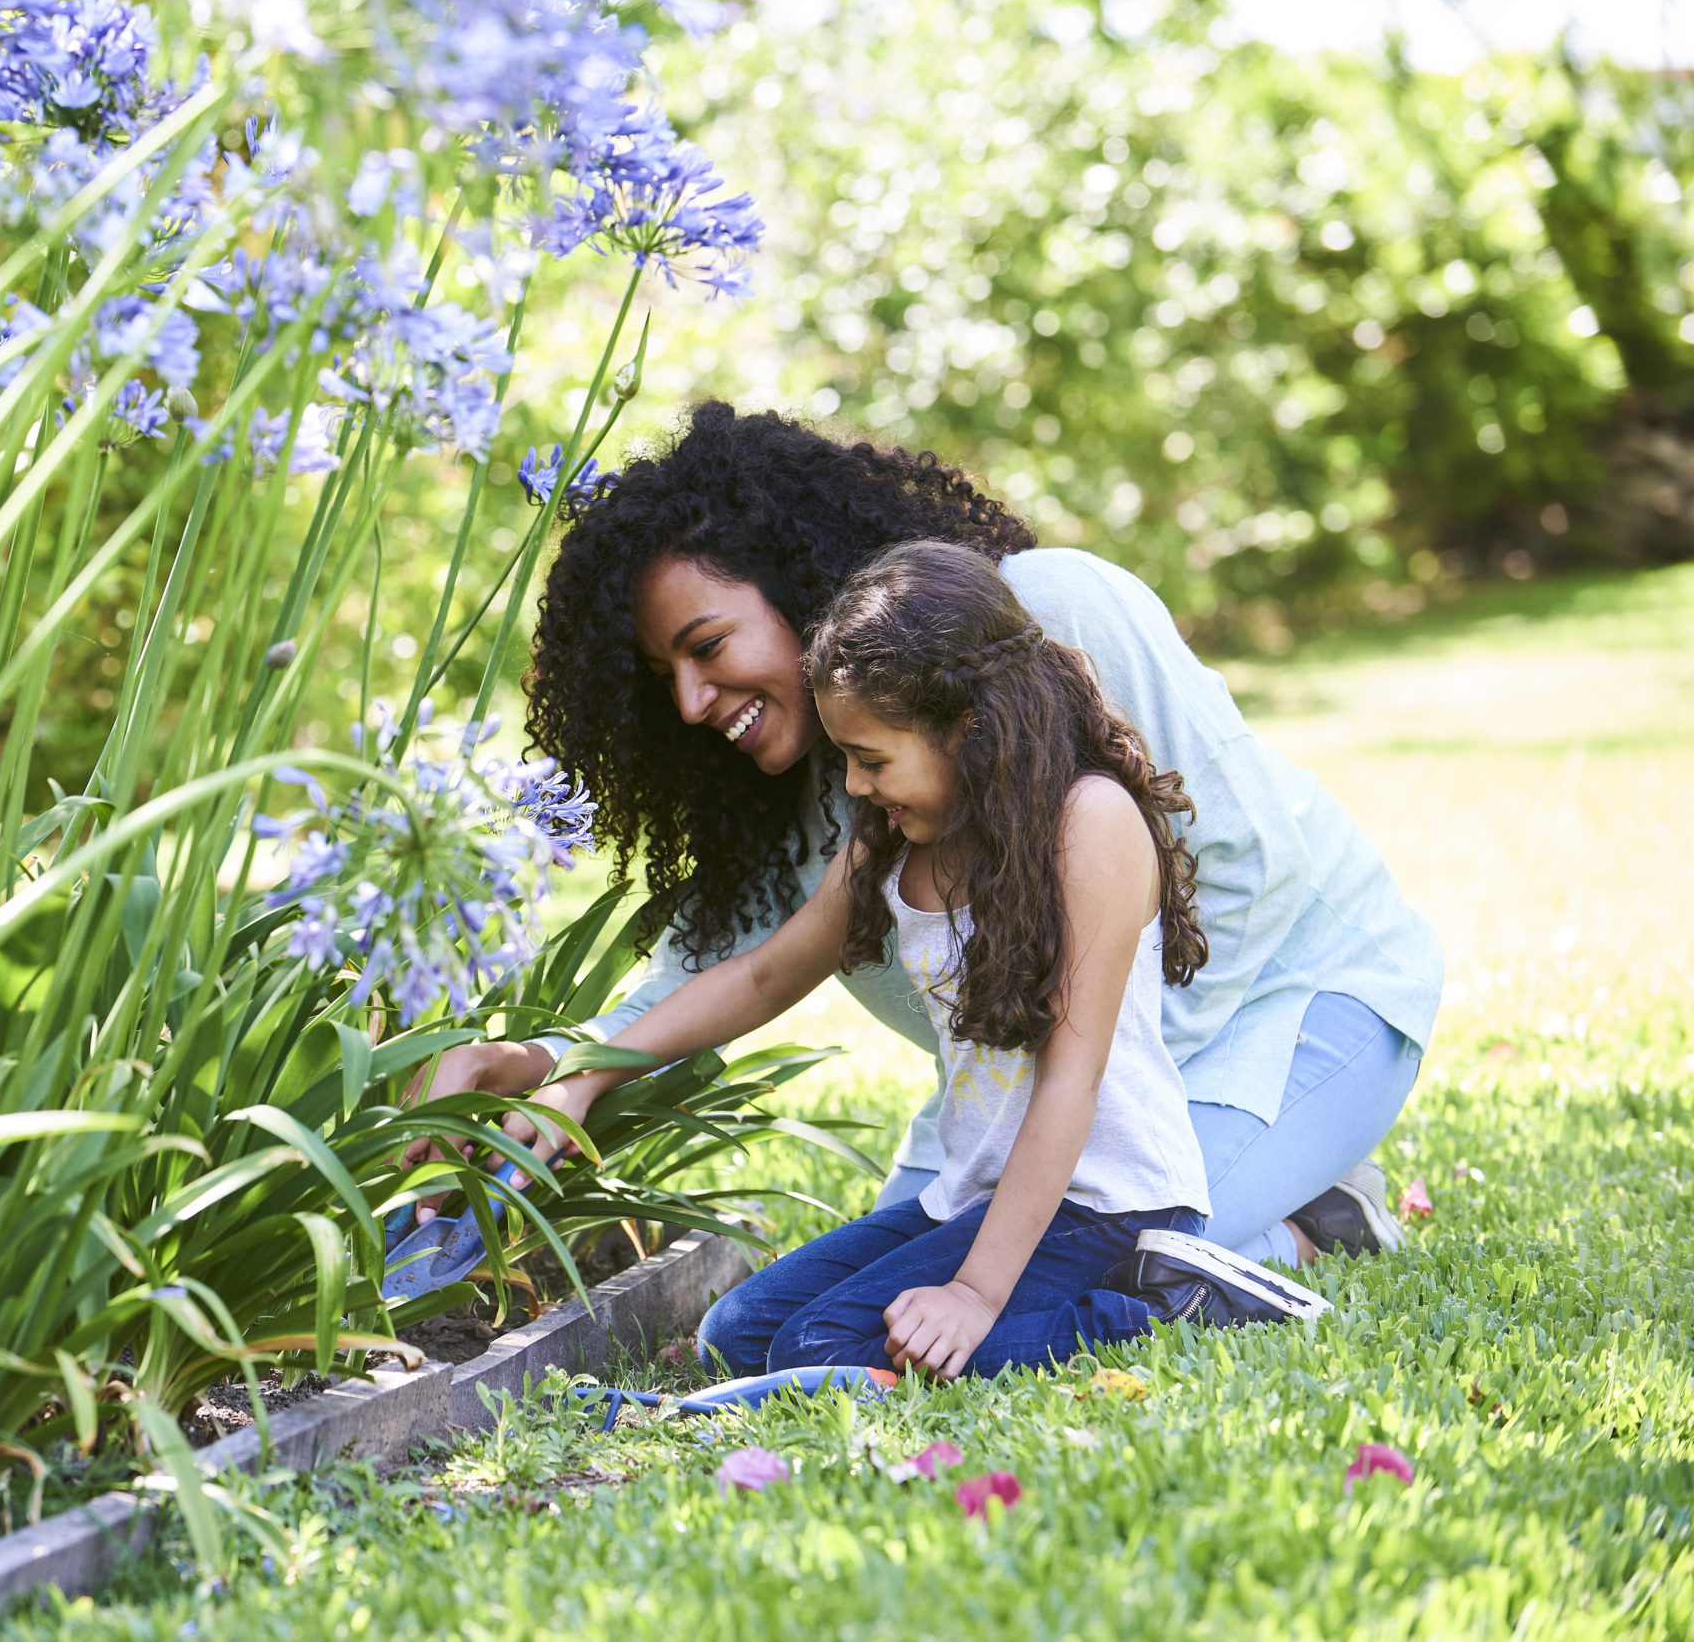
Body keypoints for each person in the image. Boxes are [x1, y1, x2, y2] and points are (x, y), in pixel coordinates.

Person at [405, 403, 1441, 1270]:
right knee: (902, 1275)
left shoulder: (1048, 614)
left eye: (707, 646)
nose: (687, 701)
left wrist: (1089, 1112)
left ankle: (1304, 1221)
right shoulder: (825, 774)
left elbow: (1255, 871)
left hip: (1296, 1002)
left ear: (794, 579)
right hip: (1035, 1099)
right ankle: (1274, 1193)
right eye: (662, 676)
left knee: (1075, 1266)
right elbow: (723, 970)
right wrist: (550, 1060)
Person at [557, 541, 1326, 1379]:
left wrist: (975, 1293)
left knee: (820, 1348)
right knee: (737, 1334)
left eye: (871, 759)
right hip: (975, 1194)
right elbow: (761, 974)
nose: (852, 785)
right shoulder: (894, 837)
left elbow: (1072, 1075)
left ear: (966, 726)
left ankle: (1171, 1303)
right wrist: (586, 1068)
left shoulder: (1089, 823)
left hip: (1107, 1205)